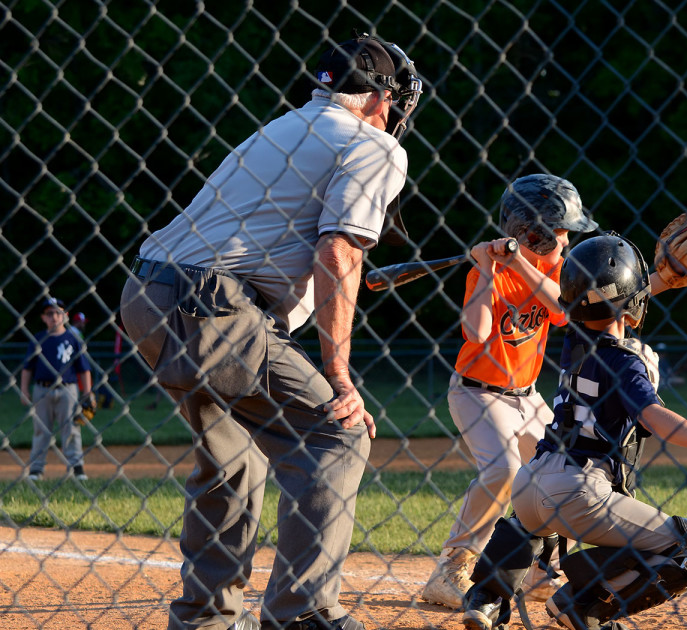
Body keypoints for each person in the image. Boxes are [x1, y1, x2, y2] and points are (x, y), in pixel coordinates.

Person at [119, 34, 422, 630]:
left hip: (147, 296)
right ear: (381, 99)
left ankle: (204, 618)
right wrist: (338, 376)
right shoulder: (374, 146)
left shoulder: (282, 127)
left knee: (233, 457)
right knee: (336, 437)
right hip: (215, 306)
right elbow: (337, 253)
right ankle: (302, 614)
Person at [459, 232, 687, 630]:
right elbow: (654, 418)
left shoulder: (575, 341)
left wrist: (661, 278)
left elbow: (598, 298)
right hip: (579, 492)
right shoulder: (625, 362)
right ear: (632, 302)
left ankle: (487, 597)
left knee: (533, 519)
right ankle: (583, 605)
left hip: (531, 485)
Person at [421, 174, 598, 610]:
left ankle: (542, 570)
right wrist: (486, 269)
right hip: (478, 394)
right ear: (531, 232)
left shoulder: (556, 267)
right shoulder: (489, 271)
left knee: (564, 467)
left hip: (528, 396)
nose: (566, 240)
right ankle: (451, 570)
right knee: (501, 470)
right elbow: (477, 333)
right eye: (559, 231)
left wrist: (518, 263)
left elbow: (562, 311)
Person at [20, 297, 94, 481]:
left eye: (57, 312)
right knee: (40, 430)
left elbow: (84, 369)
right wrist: (24, 390)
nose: (54, 316)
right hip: (41, 389)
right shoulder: (38, 339)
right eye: (49, 313)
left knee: (71, 429)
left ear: (65, 316)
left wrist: (88, 392)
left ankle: (77, 468)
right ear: (44, 318)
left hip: (68, 390)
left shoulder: (72, 339)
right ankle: (36, 469)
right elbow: (27, 368)